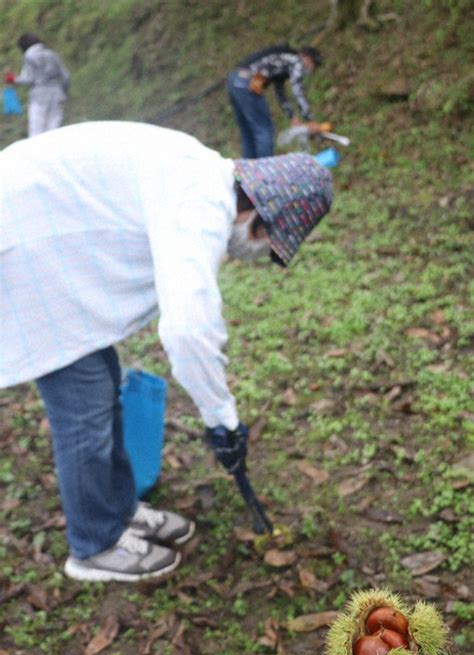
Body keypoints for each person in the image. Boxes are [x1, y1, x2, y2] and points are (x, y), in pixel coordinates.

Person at [0, 121, 333, 583]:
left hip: (47, 239)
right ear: (257, 213)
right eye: (266, 243)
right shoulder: (198, 203)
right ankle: (95, 545)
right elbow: (188, 328)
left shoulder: (196, 174)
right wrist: (222, 419)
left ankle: (116, 512)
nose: (254, 254)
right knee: (83, 406)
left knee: (99, 382)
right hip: (21, 242)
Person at [227, 44, 323, 159]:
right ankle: (265, 174)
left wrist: (292, 116)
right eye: (313, 65)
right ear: (307, 58)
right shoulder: (296, 60)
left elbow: (280, 92)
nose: (310, 70)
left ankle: (248, 172)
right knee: (264, 131)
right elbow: (297, 90)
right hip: (248, 82)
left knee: (248, 132)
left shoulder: (283, 62)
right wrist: (309, 120)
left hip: (235, 80)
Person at [9, 32, 70, 137]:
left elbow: (28, 79)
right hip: (57, 94)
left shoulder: (29, 56)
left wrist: (14, 79)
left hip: (39, 96)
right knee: (53, 130)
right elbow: (66, 76)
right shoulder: (52, 54)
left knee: (36, 131)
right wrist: (64, 93)